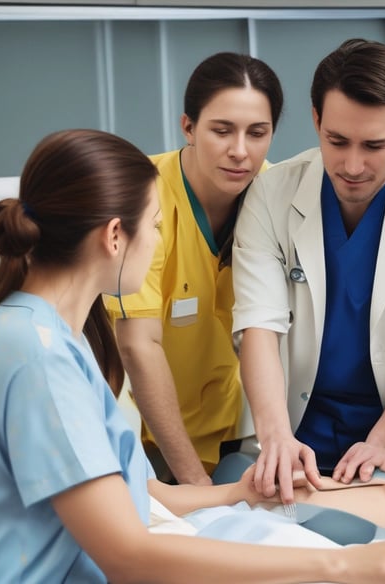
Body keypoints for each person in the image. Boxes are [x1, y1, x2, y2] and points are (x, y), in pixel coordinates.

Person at [0, 128, 385, 584]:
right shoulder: (38, 358)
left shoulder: (45, 335)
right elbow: (128, 556)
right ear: (113, 236)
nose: (155, 240)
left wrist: (240, 493)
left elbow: (136, 498)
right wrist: (344, 568)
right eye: (153, 225)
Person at [232, 39, 385, 504]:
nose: (352, 166)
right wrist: (276, 439)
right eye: (336, 141)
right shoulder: (270, 194)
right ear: (315, 120)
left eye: (374, 145)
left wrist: (379, 443)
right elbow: (258, 324)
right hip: (288, 436)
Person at [103, 52, 284, 486]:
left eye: (257, 133)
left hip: (246, 429)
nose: (240, 151)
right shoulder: (141, 195)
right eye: (222, 131)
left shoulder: (277, 195)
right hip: (156, 436)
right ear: (188, 126)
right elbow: (138, 346)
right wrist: (192, 482)